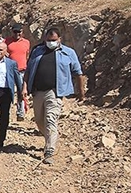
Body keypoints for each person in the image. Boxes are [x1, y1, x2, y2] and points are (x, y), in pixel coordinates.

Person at [22, 27, 85, 164]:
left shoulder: (68, 53)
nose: (51, 42)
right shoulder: (37, 51)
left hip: (55, 92)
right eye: (48, 40)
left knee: (51, 119)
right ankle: (50, 136)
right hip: (38, 91)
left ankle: (49, 150)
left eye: (54, 40)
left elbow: (78, 73)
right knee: (39, 120)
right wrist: (25, 87)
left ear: (59, 39)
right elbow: (28, 70)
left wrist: (81, 92)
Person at [5, 23, 30, 120]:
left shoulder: (26, 42)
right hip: (10, 71)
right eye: (15, 32)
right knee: (9, 91)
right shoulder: (7, 41)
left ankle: (20, 112)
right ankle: (6, 111)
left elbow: (27, 55)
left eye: (18, 32)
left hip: (22, 70)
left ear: (22, 32)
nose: (17, 34)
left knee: (21, 91)